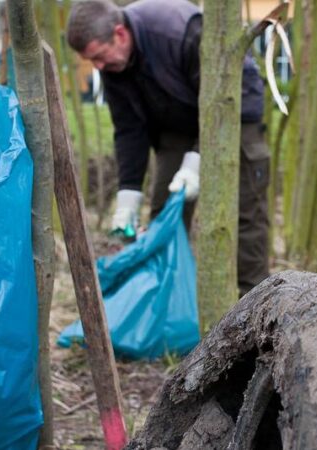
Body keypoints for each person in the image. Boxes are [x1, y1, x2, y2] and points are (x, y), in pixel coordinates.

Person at [66, 0, 270, 296]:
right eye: (91, 61)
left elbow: (226, 98)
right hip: (176, 124)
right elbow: (129, 130)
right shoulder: (114, 67)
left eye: (98, 56)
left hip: (235, 111)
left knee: (246, 216)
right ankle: (168, 304)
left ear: (120, 34)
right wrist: (129, 195)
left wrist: (198, 160)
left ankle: (252, 302)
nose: (98, 68)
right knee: (165, 215)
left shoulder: (179, 32)